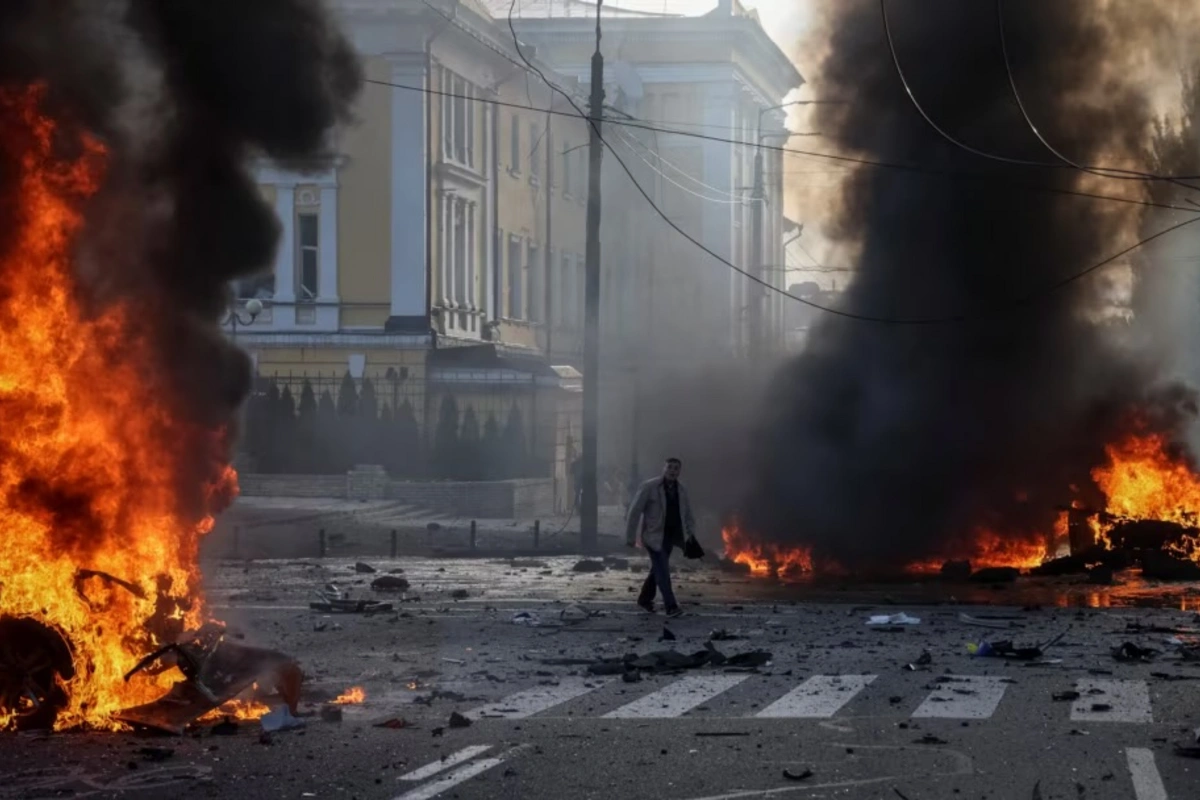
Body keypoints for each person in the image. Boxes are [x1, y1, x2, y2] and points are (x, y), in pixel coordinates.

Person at [625, 457, 695, 617]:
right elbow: (634, 511)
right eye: (670, 467)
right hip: (653, 536)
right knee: (663, 570)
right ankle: (671, 606)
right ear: (663, 469)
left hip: (670, 537)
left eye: (676, 468)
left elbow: (688, 514)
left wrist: (690, 534)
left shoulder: (682, 490)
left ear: (680, 471)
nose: (672, 471)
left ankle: (644, 599)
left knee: (658, 569)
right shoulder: (649, 487)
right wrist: (630, 537)